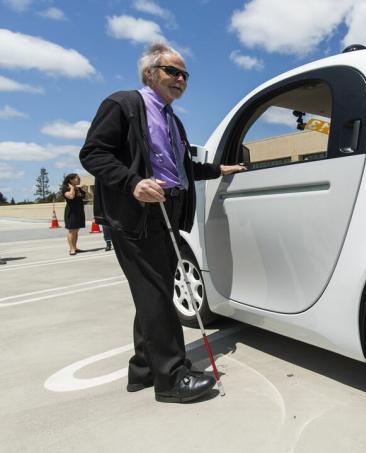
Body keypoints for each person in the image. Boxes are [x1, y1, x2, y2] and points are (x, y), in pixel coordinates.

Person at [80, 42, 245, 404]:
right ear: (150, 73)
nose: (181, 79)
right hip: (137, 215)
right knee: (155, 293)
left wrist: (219, 169)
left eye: (185, 74)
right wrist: (133, 182)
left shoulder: (173, 120)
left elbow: (180, 168)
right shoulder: (122, 105)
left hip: (169, 211)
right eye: (173, 71)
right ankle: (171, 378)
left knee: (151, 293)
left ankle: (142, 369)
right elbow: (93, 153)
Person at [61, 173, 88, 255]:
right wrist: (72, 188)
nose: (79, 179)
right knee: (72, 231)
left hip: (79, 211)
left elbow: (87, 198)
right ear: (71, 180)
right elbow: (71, 197)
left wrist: (86, 191)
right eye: (77, 178)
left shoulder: (79, 189)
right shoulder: (66, 188)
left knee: (76, 231)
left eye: (79, 178)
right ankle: (71, 249)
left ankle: (75, 247)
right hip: (71, 212)